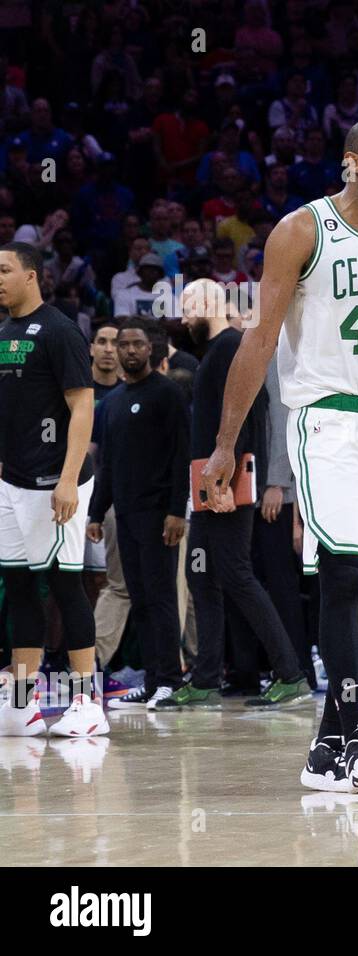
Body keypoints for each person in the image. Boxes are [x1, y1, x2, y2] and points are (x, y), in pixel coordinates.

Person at [200, 118, 358, 793]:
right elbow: (260, 340)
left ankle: (324, 754)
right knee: (342, 574)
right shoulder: (302, 230)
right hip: (328, 422)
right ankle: (350, 734)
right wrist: (227, 443)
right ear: (351, 164)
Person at [157, 279, 309, 709]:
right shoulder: (219, 352)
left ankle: (291, 673)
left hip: (223, 482)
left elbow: (247, 418)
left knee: (237, 575)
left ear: (210, 303)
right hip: (209, 481)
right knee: (201, 575)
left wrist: (227, 480)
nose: (183, 317)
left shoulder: (230, 349)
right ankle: (205, 679)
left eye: (189, 306)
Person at [0, 241, 105, 738]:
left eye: (3, 270)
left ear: (32, 276)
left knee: (65, 583)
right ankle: (23, 703)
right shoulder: (4, 331)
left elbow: (82, 408)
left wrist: (67, 478)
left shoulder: (60, 330)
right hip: (11, 481)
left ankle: (88, 702)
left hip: (56, 482)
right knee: (19, 586)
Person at [87, 318, 189, 711]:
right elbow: (107, 465)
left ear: (151, 350)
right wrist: (96, 514)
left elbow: (182, 455)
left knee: (162, 598)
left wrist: (176, 511)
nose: (128, 350)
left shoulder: (168, 394)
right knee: (140, 598)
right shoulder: (111, 403)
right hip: (124, 516)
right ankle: (151, 680)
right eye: (122, 344)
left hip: (159, 515)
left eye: (135, 344)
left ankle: (171, 681)